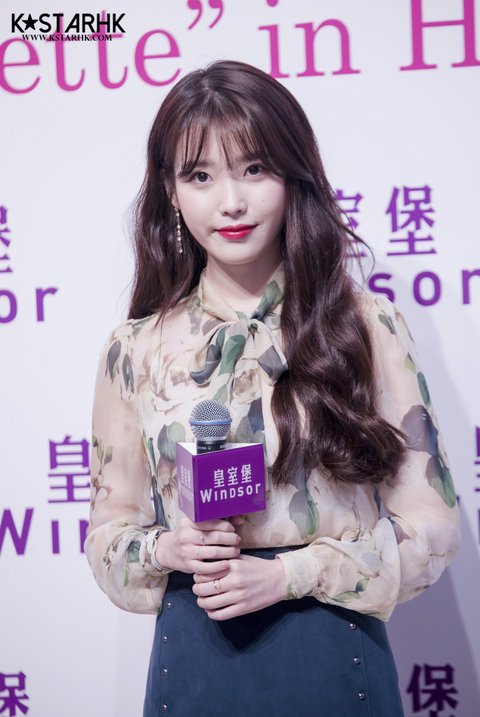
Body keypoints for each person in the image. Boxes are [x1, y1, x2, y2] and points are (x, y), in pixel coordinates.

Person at [85, 60, 461, 716]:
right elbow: (107, 536)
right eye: (200, 176)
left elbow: (433, 528)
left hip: (333, 654)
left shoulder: (365, 327)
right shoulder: (136, 349)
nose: (230, 201)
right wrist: (168, 547)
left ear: (293, 175)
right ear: (170, 191)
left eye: (254, 169)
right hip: (194, 660)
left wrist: (292, 573)